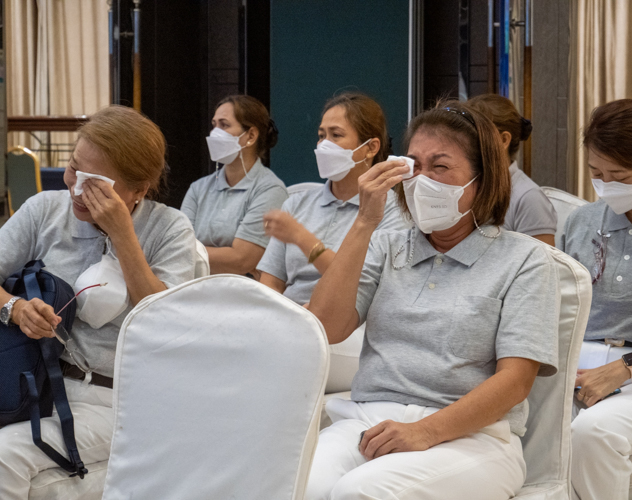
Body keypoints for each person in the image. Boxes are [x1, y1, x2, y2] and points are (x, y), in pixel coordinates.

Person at [305, 100, 560, 500]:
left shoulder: (525, 259)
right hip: (367, 419)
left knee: (361, 492)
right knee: (296, 485)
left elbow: (515, 382)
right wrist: (364, 222)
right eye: (414, 166)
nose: (422, 180)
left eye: (440, 167)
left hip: (475, 437)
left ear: (483, 178)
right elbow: (328, 327)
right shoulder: (386, 244)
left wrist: (424, 431)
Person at [0, 106, 197, 498]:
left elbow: (165, 323)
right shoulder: (45, 211)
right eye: (73, 169)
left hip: (115, 398)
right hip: (35, 380)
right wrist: (15, 307)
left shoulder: (169, 229)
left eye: (95, 183)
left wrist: (123, 232)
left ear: (139, 189)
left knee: (4, 455)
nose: (76, 189)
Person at [258, 93, 407, 394]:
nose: (324, 144)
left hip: (347, 329)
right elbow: (270, 282)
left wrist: (302, 237)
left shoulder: (392, 209)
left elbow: (361, 283)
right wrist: (272, 317)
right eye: (321, 135)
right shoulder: (297, 204)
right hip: (287, 321)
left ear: (371, 147)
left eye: (336, 135)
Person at [560, 99, 632, 500]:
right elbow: (557, 309)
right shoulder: (580, 222)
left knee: (594, 431)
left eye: (620, 176)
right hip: (578, 369)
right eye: (596, 173)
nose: (606, 186)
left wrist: (626, 368)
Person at [181, 95, 288, 275]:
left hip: (242, 294)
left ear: (251, 136)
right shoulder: (198, 188)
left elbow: (241, 261)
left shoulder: (270, 189)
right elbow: (175, 246)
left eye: (224, 125)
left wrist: (191, 252)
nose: (215, 133)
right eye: (214, 125)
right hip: (196, 288)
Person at [468, 94, 557, 245]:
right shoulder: (466, 187)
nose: (466, 145)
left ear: (503, 140)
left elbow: (543, 265)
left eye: (475, 136)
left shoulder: (528, 197)